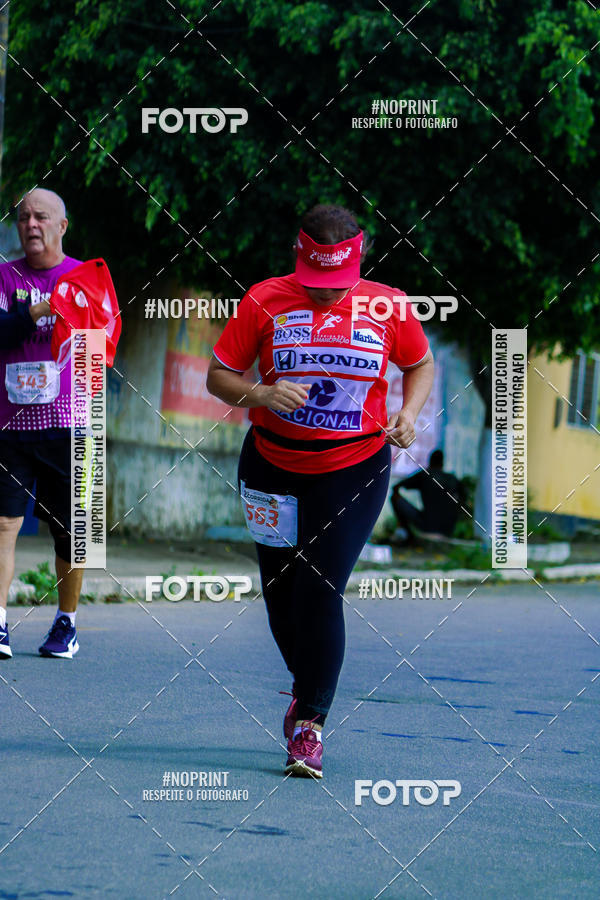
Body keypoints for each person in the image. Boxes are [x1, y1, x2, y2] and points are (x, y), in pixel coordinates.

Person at [206, 204, 434, 778]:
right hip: (270, 467)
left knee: (321, 587)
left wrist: (409, 413)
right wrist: (262, 394)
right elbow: (219, 377)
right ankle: (305, 685)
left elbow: (421, 364)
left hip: (353, 468)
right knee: (281, 593)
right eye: (315, 281)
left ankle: (310, 724)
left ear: (360, 259)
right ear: (297, 254)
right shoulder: (263, 299)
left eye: (337, 283)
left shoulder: (388, 305)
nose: (326, 293)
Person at [0, 189, 83, 659]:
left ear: (62, 226)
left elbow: (105, 340)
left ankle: (66, 623)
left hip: (69, 424)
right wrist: (34, 311)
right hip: (8, 425)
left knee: (73, 531)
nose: (31, 224)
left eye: (42, 217)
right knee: (3, 523)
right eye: (24, 217)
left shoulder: (86, 278)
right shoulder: (4, 277)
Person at [391, 449, 465, 541]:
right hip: (448, 529)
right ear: (442, 463)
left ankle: (406, 532)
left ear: (430, 462)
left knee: (395, 497)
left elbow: (396, 487)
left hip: (427, 525)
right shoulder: (452, 478)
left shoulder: (425, 475)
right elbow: (464, 499)